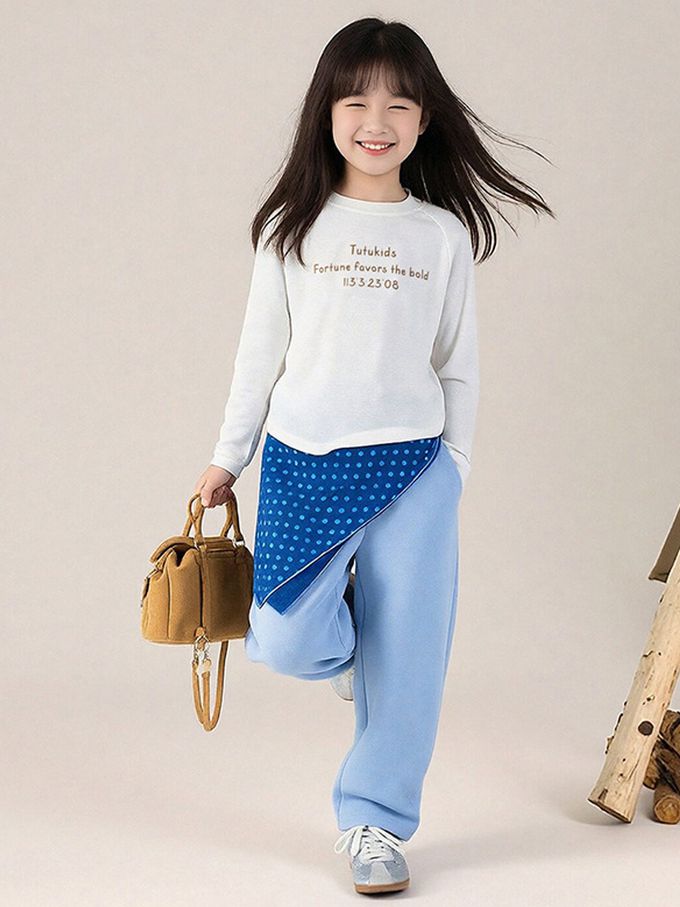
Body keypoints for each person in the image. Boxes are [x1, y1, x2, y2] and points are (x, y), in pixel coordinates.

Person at [194, 16, 554, 896]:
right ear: (327, 113)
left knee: (413, 659)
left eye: (399, 103)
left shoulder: (441, 236)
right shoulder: (291, 229)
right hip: (306, 460)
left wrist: (455, 467)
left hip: (414, 471)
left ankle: (376, 824)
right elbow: (258, 356)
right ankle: (356, 654)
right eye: (356, 101)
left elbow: (457, 363)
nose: (377, 121)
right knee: (282, 636)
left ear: (425, 119)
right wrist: (226, 459)